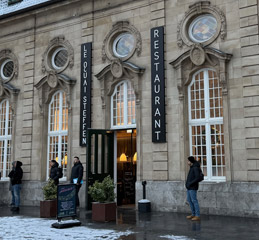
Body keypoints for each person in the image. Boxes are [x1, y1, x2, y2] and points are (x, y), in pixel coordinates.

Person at [186, 156, 201, 221]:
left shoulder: (195, 168)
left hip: (193, 187)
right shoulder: (192, 167)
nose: (187, 162)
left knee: (194, 201)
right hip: (189, 187)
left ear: (191, 162)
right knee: (189, 200)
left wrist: (190, 183)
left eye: (188, 161)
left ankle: (197, 215)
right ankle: (193, 214)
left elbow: (197, 178)